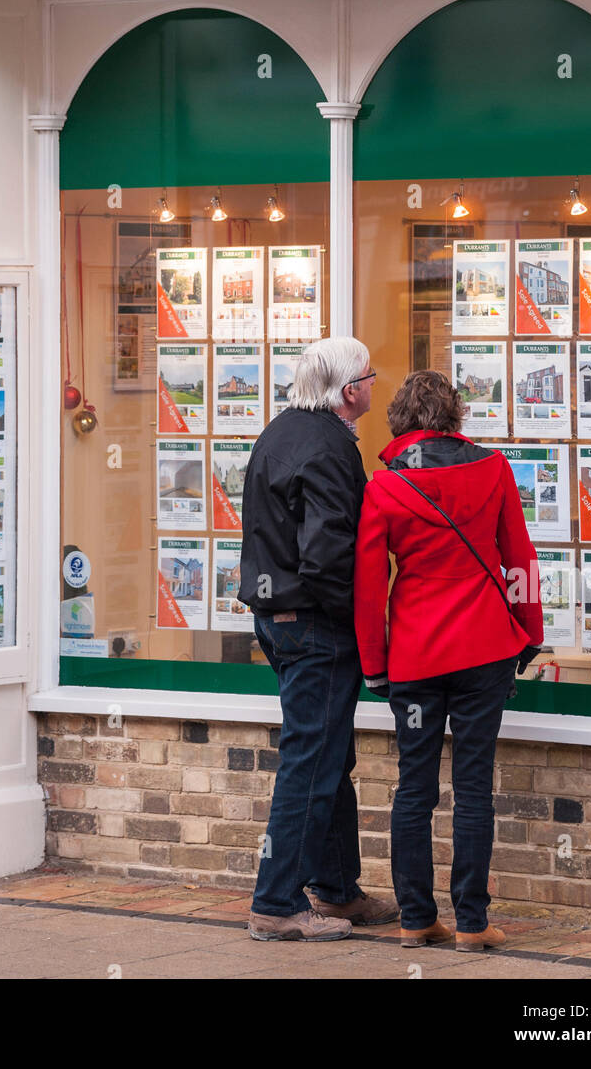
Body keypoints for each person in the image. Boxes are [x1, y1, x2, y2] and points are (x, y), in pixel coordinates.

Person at [354, 369, 543, 952]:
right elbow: (518, 556)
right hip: (485, 650)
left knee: (414, 788)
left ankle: (414, 918)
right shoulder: (494, 469)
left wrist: (373, 663)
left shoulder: (384, 487)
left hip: (415, 655)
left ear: (400, 422)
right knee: (473, 788)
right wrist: (529, 632)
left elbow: (366, 584)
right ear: (456, 417)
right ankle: (473, 922)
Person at [239, 336, 399, 941]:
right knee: (310, 759)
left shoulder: (280, 431)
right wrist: (357, 626)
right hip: (314, 623)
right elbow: (329, 555)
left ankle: (335, 889)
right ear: (349, 391)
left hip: (277, 615)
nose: (373, 386)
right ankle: (276, 902)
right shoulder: (331, 448)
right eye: (369, 377)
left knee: (328, 753)